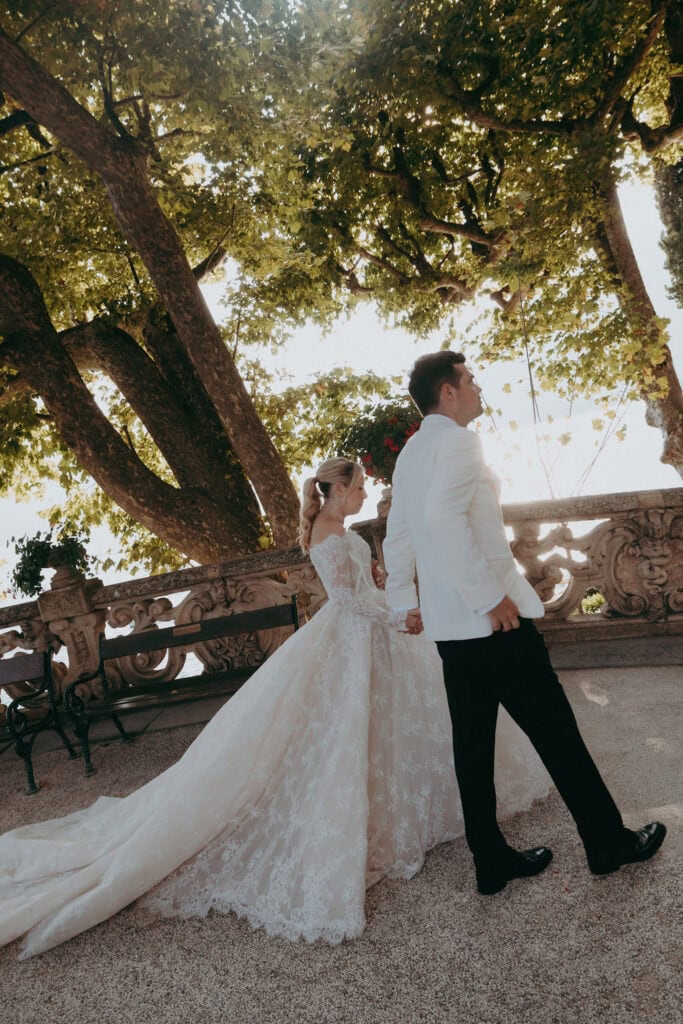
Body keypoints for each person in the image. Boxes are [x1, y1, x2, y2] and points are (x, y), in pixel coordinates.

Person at [0, 457, 551, 960]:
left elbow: (361, 585)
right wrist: (395, 616)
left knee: (396, 723)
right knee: (343, 734)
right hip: (357, 635)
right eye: (359, 487)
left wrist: (379, 582)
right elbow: (346, 601)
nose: (364, 494)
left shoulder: (342, 532)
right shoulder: (326, 535)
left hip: (374, 632)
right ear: (337, 490)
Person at [383, 351, 667, 895]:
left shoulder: (413, 453)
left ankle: (490, 861)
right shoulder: (460, 442)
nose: (478, 387)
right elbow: (442, 520)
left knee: (471, 750)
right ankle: (607, 843)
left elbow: (399, 533)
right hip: (495, 626)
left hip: (451, 631)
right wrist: (490, 597)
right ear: (448, 391)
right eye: (470, 379)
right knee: (558, 734)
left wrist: (403, 601)